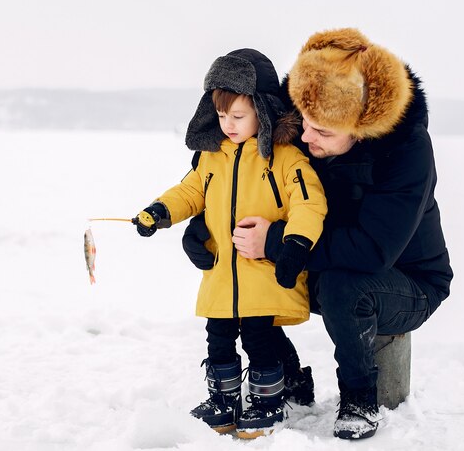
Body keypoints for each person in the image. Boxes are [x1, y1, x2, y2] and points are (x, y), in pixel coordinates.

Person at [182, 28, 453, 440]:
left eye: (322, 132)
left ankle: (360, 399)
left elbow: (372, 251)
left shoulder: (407, 152)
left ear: (361, 130)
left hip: (407, 280)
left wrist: (275, 242)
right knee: (245, 266)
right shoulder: (307, 122)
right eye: (305, 125)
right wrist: (202, 226)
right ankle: (284, 377)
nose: (306, 138)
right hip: (325, 265)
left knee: (345, 287)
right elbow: (250, 178)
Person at [132, 48, 327, 438]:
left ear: (263, 110)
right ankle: (223, 403)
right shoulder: (211, 157)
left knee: (258, 338)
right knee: (217, 337)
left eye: (238, 116)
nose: (228, 124)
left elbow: (309, 201)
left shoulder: (285, 158)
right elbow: (189, 193)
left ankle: (268, 401)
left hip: (263, 273)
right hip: (223, 273)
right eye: (221, 116)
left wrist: (296, 243)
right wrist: (160, 211)